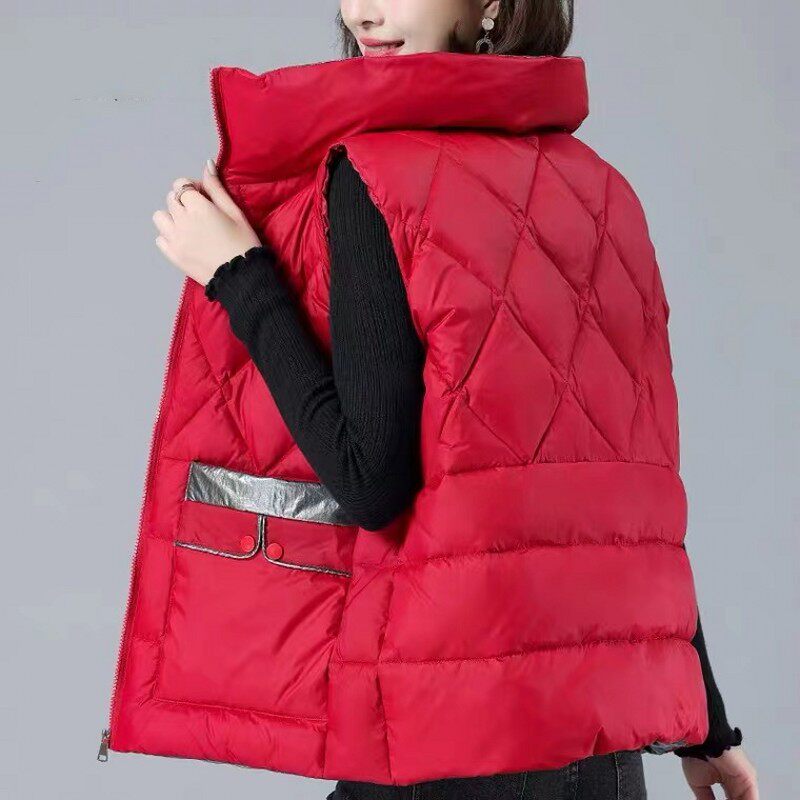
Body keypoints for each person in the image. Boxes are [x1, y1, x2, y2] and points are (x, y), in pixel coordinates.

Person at [150, 2, 758, 799]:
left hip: (444, 735)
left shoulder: (378, 177)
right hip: (601, 757)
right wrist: (706, 727)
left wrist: (239, 276)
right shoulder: (602, 191)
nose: (363, 11)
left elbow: (371, 483)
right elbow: (629, 504)